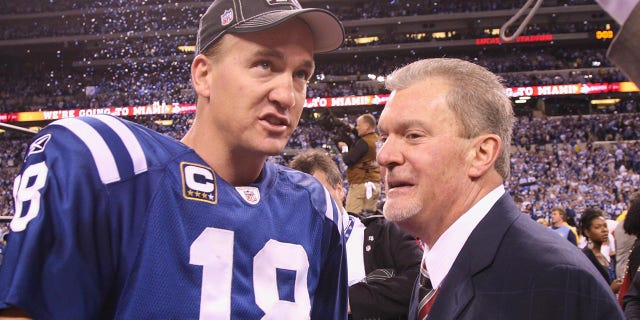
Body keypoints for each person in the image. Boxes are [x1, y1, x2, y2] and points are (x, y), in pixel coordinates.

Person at [0, 0, 348, 318]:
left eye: (301, 74)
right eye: (264, 64)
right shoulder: (112, 168)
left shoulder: (316, 209)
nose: (287, 95)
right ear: (203, 75)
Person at [375, 57, 623, 319]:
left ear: (481, 153)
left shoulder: (553, 279)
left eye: (414, 135)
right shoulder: (436, 266)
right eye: (383, 138)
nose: (384, 155)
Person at [289, 149, 422, 320]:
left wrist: (347, 300)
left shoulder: (386, 233)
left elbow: (422, 281)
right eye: (300, 198)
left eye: (318, 194)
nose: (310, 206)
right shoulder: (288, 250)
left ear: (340, 190)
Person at [337, 114, 381, 215]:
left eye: (358, 125)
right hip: (375, 183)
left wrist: (344, 148)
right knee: (369, 219)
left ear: (366, 126)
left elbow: (348, 159)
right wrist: (351, 129)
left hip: (361, 184)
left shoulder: (364, 142)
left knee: (352, 218)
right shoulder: (377, 139)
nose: (357, 128)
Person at [579, 208, 622, 294]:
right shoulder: (586, 258)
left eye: (605, 226)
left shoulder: (601, 255)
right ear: (587, 232)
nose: (604, 230)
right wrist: (611, 290)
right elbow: (587, 292)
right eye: (598, 227)